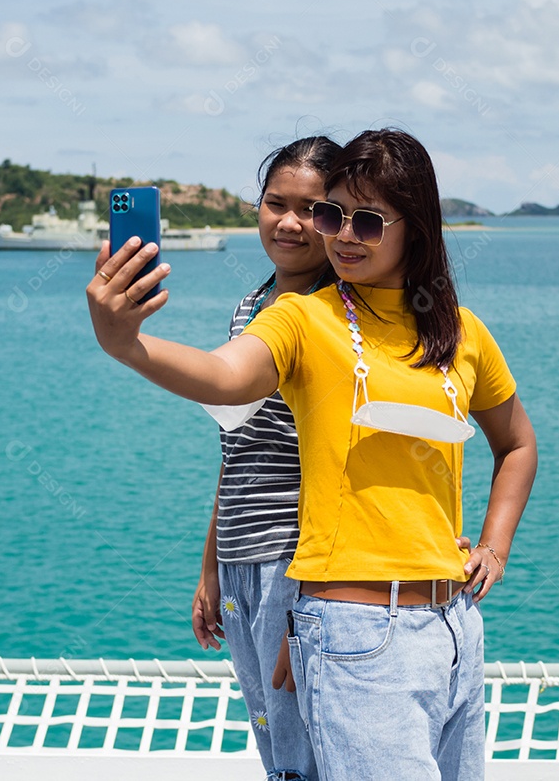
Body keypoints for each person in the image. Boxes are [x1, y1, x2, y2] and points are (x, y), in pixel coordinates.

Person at [87, 128, 537, 780]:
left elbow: (517, 442)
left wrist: (495, 546)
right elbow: (224, 379)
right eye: (335, 215)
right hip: (351, 625)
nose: (342, 234)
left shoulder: (462, 334)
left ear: (419, 227)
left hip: (453, 628)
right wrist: (127, 344)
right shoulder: (302, 318)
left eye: (367, 220)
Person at [192, 136, 341, 781]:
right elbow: (235, 450)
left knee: (306, 746)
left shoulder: (334, 317)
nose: (289, 221)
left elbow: (338, 466)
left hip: (295, 561)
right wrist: (210, 567)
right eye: (275, 203)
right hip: (241, 559)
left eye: (312, 208)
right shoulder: (249, 309)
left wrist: (312, 597)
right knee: (274, 748)